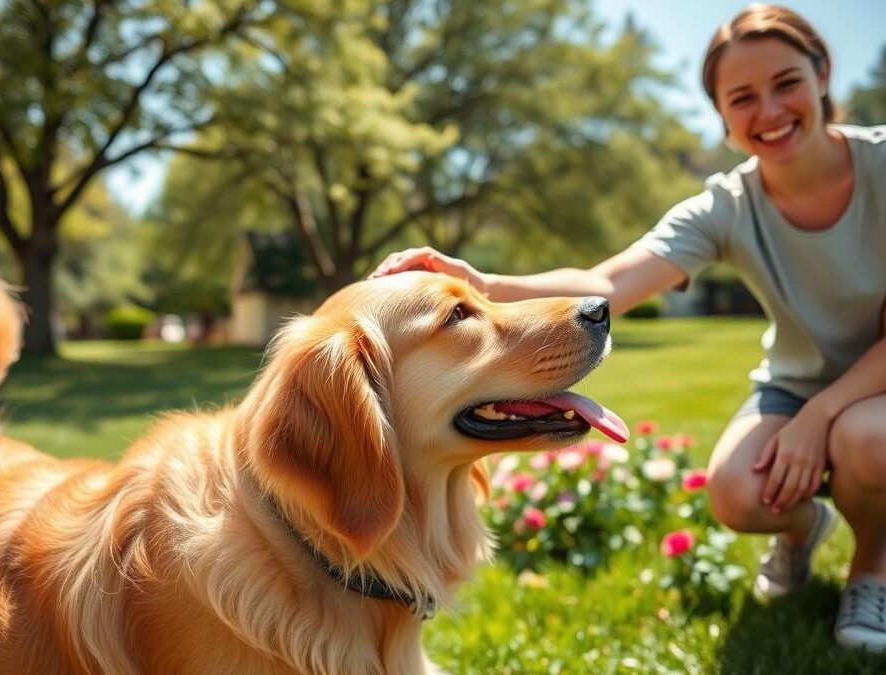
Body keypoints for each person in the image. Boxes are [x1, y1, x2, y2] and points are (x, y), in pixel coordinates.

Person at [370, 3, 886, 651]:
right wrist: (485, 284)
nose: (771, 111)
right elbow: (608, 284)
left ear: (822, 74)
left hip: (875, 396)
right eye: (742, 97)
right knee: (734, 493)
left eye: (786, 83)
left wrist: (824, 417)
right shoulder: (725, 205)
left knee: (868, 437)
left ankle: (872, 568)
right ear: (723, 117)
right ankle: (801, 530)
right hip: (795, 385)